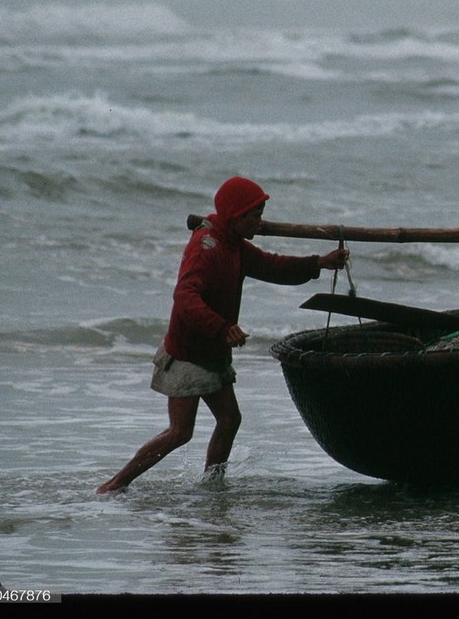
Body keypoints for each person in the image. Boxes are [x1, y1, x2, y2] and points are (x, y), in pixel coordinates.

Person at [96, 176, 349, 493]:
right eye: (253, 216)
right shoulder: (206, 248)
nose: (259, 222)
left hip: (212, 354)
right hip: (188, 355)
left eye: (260, 214)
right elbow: (185, 297)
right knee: (180, 432)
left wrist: (318, 264)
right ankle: (115, 484)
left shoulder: (235, 246)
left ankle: (212, 485)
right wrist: (222, 327)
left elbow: (273, 266)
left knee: (229, 420)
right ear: (234, 217)